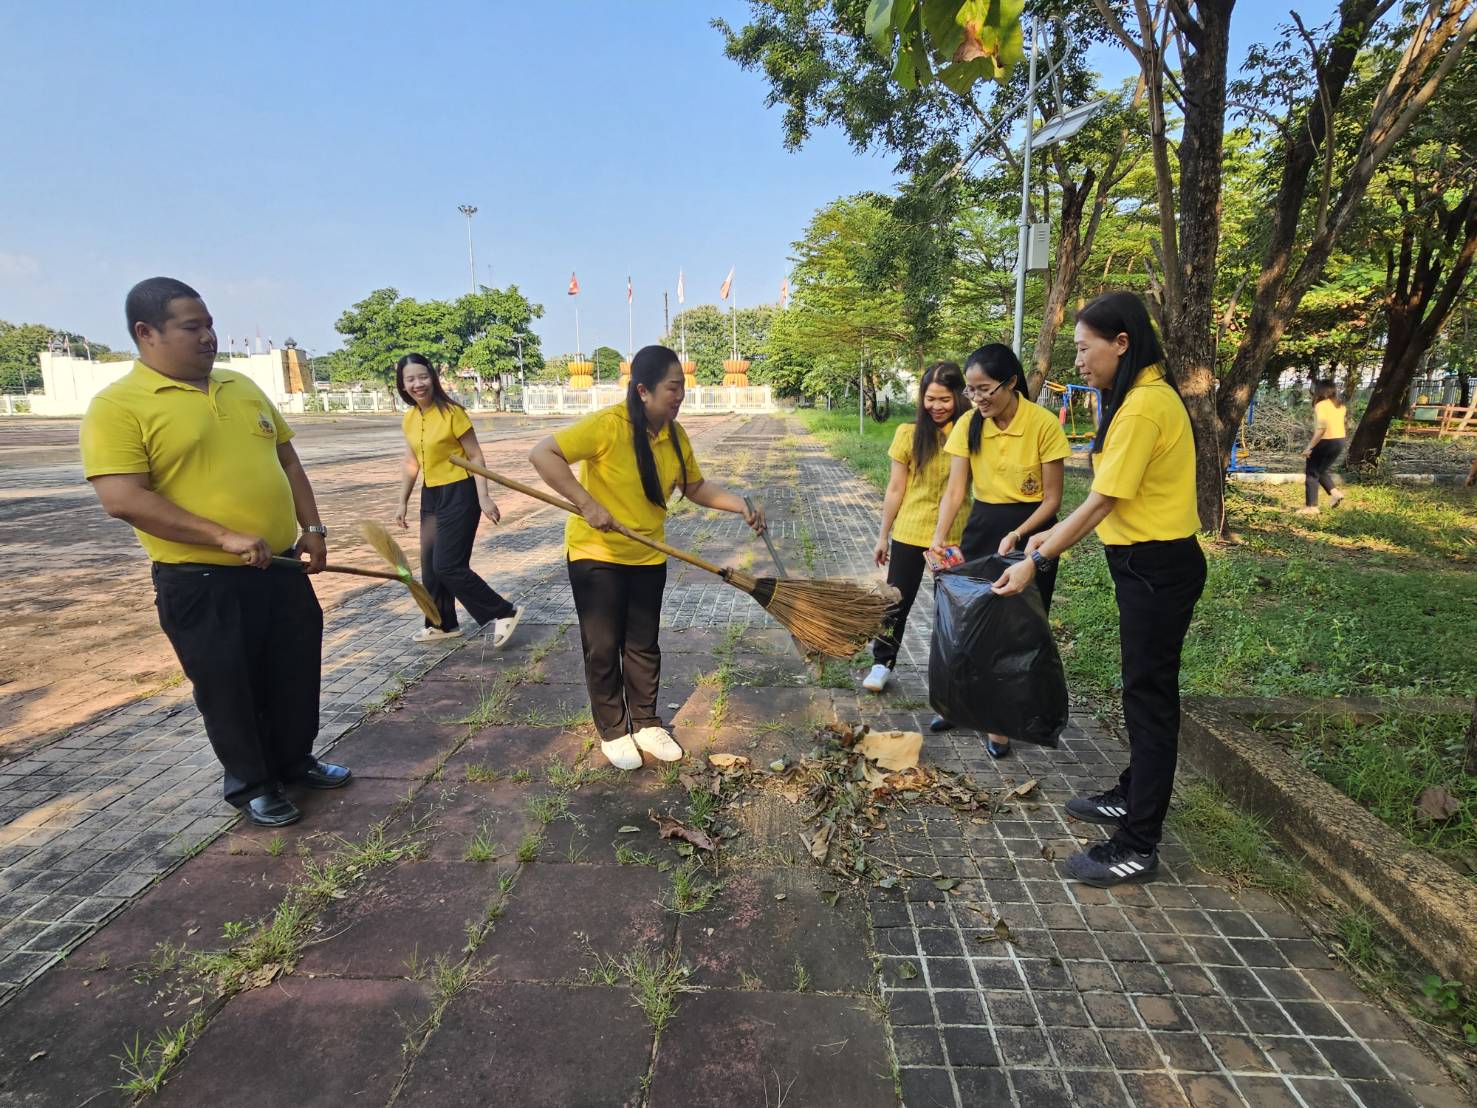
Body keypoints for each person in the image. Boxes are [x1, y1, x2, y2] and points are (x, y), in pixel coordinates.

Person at [81, 278, 350, 829]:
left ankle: (295, 761)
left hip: (279, 565)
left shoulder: (242, 387)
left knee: (295, 672)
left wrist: (313, 526)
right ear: (145, 332)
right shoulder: (117, 407)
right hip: (202, 578)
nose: (209, 337)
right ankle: (254, 784)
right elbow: (122, 497)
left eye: (209, 324)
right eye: (192, 327)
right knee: (230, 685)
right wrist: (220, 536)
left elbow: (289, 463)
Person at [994, 291, 1204, 888]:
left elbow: (1100, 502)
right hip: (1146, 565)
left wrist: (1036, 556)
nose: (1080, 362)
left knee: (1150, 701)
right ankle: (1133, 793)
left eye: (1086, 349)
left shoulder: (1142, 407)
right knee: (1142, 689)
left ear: (1122, 343)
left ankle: (1139, 843)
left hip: (1156, 568)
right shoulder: (1141, 398)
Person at [529, 345, 765, 770]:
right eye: (672, 388)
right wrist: (586, 502)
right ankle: (614, 731)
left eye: (682, 388)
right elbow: (543, 454)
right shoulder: (607, 425)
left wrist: (740, 505)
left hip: (647, 555)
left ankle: (646, 723)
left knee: (642, 644)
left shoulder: (675, 435)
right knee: (602, 647)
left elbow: (694, 487)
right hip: (596, 555)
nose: (680, 396)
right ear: (643, 390)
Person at [928, 344, 1070, 754]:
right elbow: (956, 490)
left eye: (985, 389)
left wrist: (1019, 534)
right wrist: (940, 535)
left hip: (1035, 535)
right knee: (965, 625)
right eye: (971, 391)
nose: (977, 399)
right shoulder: (969, 424)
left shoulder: (1043, 424)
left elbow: (1052, 501)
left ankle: (999, 723)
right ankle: (958, 707)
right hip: (982, 529)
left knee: (1014, 633)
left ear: (1011, 383)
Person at [394, 354, 521, 646]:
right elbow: (412, 462)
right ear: (402, 385)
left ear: (432, 377)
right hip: (431, 494)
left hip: (460, 492)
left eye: (422, 377)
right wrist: (402, 501)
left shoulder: (452, 413)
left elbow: (475, 455)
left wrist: (484, 497)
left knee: (448, 565)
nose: (418, 384)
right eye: (410, 379)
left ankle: (503, 612)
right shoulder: (410, 418)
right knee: (429, 565)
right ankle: (442, 624)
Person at [861, 362, 969, 695]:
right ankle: (882, 663)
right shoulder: (908, 433)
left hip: (954, 535)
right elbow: (895, 488)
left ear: (959, 397)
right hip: (910, 530)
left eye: (944, 399)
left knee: (955, 607)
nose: (936, 406)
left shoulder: (969, 431)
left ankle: (954, 673)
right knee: (896, 602)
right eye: (930, 398)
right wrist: (883, 536)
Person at [1298, 379, 1347, 515]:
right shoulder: (1340, 406)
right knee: (1321, 470)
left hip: (1325, 441)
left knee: (1312, 473)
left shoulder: (1321, 405)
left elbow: (1321, 429)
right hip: (1340, 440)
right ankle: (1335, 493)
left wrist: (1309, 447)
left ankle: (1311, 507)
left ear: (1320, 391)